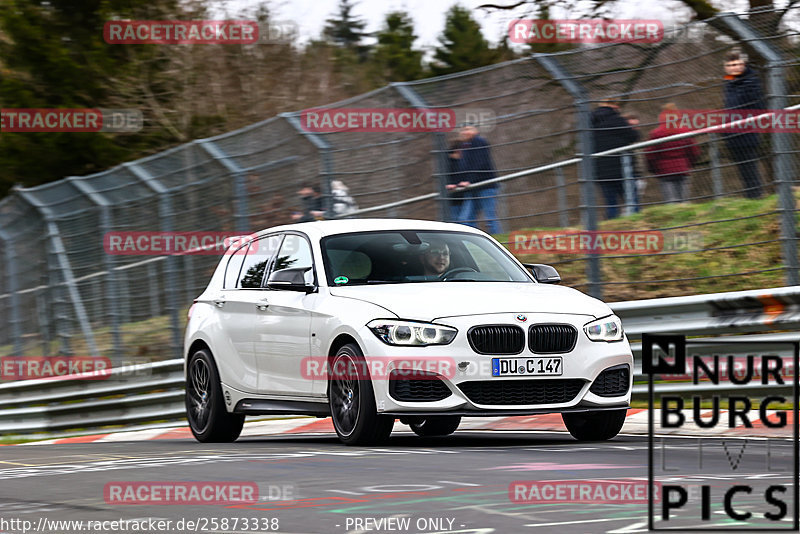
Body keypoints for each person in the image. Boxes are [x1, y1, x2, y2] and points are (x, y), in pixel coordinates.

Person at [722, 50, 766, 199]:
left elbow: (757, 106)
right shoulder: (728, 82)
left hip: (747, 131)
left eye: (736, 64)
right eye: (729, 65)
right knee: (743, 169)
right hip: (732, 134)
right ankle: (751, 196)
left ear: (743, 64)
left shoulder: (751, 80)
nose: (733, 68)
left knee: (750, 167)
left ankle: (755, 196)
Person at [590, 99, 640, 219]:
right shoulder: (617, 119)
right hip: (622, 166)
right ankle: (636, 226)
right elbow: (634, 136)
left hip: (600, 169)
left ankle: (612, 230)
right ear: (614, 105)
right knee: (631, 200)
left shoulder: (589, 123)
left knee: (611, 203)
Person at [645, 103, 700, 203]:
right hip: (681, 168)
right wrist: (689, 164)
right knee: (684, 200)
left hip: (664, 170)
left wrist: (653, 169)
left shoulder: (656, 133)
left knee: (670, 201)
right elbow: (693, 151)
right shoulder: (684, 130)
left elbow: (650, 154)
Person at [454, 125, 502, 234]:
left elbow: (479, 163)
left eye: (468, 129)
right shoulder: (465, 146)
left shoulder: (478, 142)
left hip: (485, 185)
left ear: (476, 130)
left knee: (490, 217)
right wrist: (460, 182)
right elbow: (464, 168)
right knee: (465, 219)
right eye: (463, 130)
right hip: (472, 188)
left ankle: (499, 240)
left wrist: (468, 180)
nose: (465, 132)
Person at [445, 140, 465, 222]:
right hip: (453, 197)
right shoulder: (446, 162)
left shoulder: (463, 162)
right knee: (456, 219)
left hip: (463, 195)